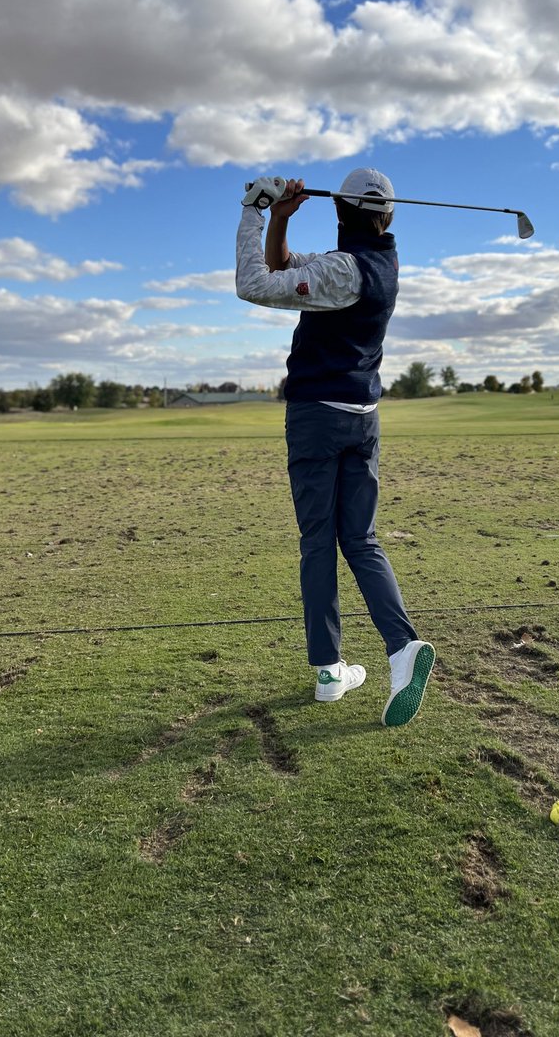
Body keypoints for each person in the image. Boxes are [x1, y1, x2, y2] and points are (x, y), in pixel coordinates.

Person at [235, 168, 435, 727]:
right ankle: (401, 650)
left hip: (317, 422)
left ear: (340, 212)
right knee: (362, 540)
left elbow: (254, 283)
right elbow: (284, 265)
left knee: (319, 544)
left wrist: (251, 211)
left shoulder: (342, 269)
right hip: (364, 421)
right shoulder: (381, 265)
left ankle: (328, 669)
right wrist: (279, 221)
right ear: (387, 218)